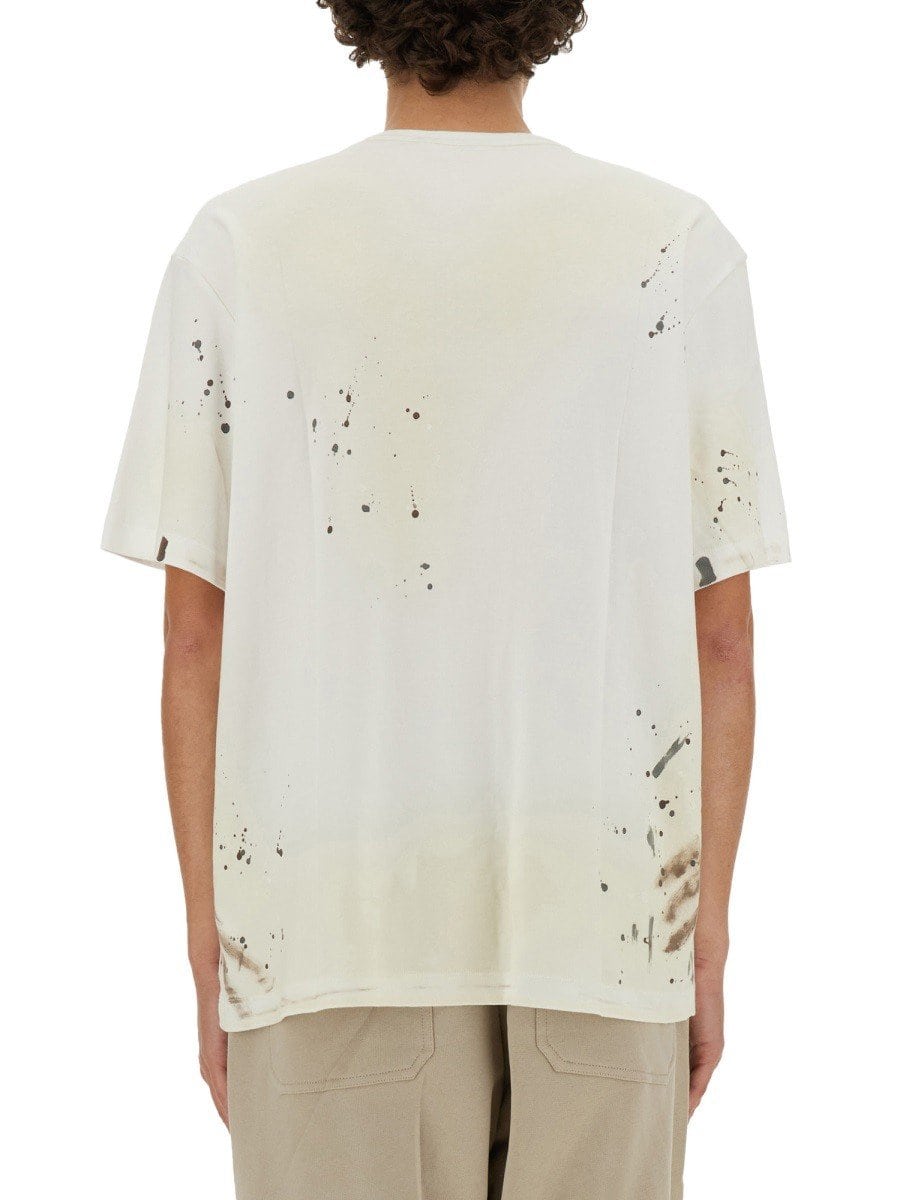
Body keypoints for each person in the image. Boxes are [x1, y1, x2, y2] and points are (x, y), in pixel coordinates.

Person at [101, 3, 789, 1197]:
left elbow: (194, 635)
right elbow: (720, 643)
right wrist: (706, 931)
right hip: (606, 926)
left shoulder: (242, 249)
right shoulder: (673, 249)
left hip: (329, 923)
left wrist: (212, 936)